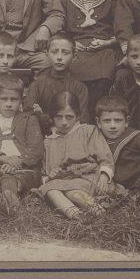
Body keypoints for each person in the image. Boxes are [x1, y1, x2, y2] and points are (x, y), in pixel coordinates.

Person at [38, 91, 115, 220]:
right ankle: (75, 214)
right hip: (61, 181)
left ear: (77, 115)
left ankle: (96, 209)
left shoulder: (88, 131)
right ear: (52, 117)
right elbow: (46, 171)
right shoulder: (49, 142)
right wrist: (50, 175)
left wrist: (104, 176)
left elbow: (105, 157)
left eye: (69, 117)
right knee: (50, 189)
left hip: (87, 178)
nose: (64, 122)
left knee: (72, 191)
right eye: (59, 117)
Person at [62, 0, 119, 108]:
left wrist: (107, 42)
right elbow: (61, 30)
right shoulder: (67, 1)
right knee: (73, 86)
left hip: (103, 52)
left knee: (101, 85)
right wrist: (71, 44)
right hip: (77, 51)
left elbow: (120, 29)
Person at [0, 74, 45, 214]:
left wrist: (18, 162)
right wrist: (2, 158)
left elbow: (36, 150)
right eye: (4, 99)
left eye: (14, 99)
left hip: (25, 169)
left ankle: (11, 204)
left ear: (21, 100)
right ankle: (9, 196)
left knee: (11, 178)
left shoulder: (29, 119)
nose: (9, 104)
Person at [94, 95, 140, 193]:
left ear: (127, 121)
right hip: (129, 188)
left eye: (118, 120)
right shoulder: (97, 142)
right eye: (107, 121)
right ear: (98, 122)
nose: (112, 126)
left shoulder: (138, 138)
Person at [25, 33, 90, 130]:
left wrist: (43, 117)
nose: (59, 57)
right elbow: (28, 113)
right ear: (47, 54)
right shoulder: (37, 85)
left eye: (65, 53)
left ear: (74, 56)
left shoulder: (79, 87)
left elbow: (82, 119)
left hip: (71, 134)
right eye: (54, 52)